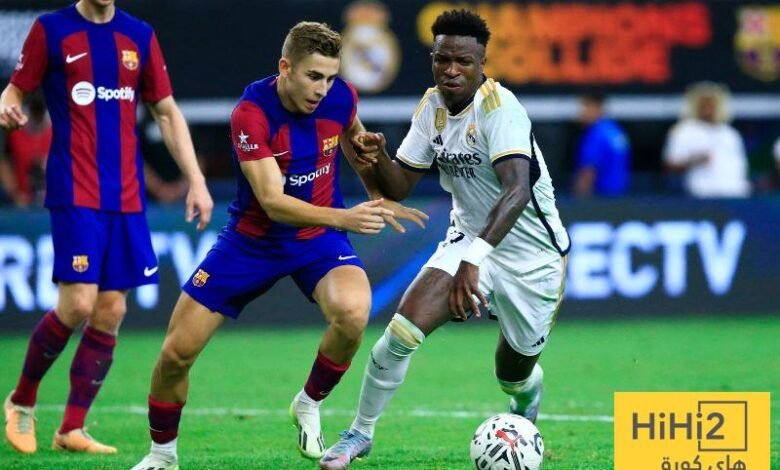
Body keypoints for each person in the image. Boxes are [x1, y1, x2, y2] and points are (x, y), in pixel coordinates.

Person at [130, 21, 427, 470]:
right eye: (313, 76)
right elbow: (272, 202)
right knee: (175, 354)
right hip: (251, 242)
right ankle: (162, 455)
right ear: (285, 68)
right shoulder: (251, 114)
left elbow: (353, 139)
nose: (322, 89)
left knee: (353, 312)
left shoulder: (341, 97)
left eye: (330, 78)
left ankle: (309, 402)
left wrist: (374, 190)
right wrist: (345, 218)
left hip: (318, 238)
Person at [319, 10, 569, 470]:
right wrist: (376, 158)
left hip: (532, 256)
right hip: (469, 236)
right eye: (442, 60)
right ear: (433, 60)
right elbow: (399, 186)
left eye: (463, 62)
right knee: (401, 332)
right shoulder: (431, 107)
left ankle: (526, 397)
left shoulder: (501, 110)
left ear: (481, 63)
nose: (451, 70)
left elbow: (516, 191)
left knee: (512, 373)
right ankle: (360, 432)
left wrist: (474, 261)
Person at [0, 0, 213, 455]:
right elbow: (15, 91)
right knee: (78, 303)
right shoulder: (52, 30)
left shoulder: (139, 35)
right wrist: (8, 105)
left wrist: (195, 180)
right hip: (75, 188)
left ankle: (71, 429)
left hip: (127, 194)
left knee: (111, 309)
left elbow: (166, 111)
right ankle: (21, 400)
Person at [663, 81, 751, 198]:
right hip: (703, 195)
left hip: (735, 192)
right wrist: (695, 160)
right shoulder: (684, 131)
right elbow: (670, 164)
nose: (708, 109)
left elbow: (740, 165)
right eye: (704, 104)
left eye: (712, 104)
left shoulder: (730, 133)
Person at [573, 92, 631, 197]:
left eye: (585, 107)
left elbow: (588, 172)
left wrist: (578, 200)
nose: (581, 113)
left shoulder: (596, 134)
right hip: (621, 198)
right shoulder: (615, 131)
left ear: (596, 107)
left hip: (601, 198)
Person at [0, 94, 51, 207]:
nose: (37, 118)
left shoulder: (56, 130)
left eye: (39, 115)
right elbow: (4, 163)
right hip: (21, 199)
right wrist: (15, 194)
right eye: (35, 114)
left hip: (51, 198)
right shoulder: (14, 132)